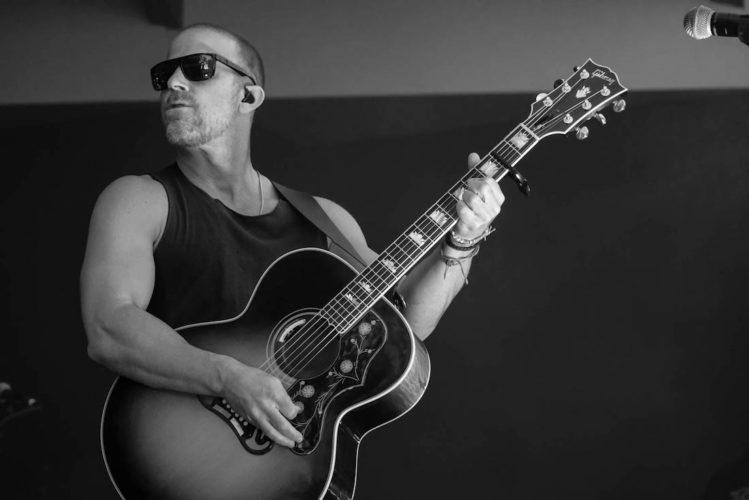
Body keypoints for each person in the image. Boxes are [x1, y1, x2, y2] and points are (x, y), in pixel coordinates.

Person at [80, 23, 504, 450]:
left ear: (248, 96)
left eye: (198, 68)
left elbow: (406, 322)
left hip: (287, 464)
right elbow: (108, 327)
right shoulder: (139, 200)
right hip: (177, 450)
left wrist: (464, 240)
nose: (173, 82)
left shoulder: (323, 218)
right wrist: (227, 378)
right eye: (164, 74)